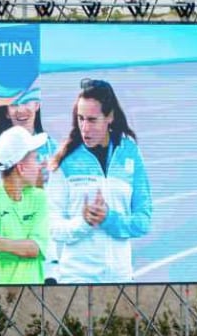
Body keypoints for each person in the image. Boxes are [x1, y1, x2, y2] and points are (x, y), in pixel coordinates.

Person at [47, 78, 152, 284]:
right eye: (80, 119)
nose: (85, 128)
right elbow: (52, 226)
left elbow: (143, 221)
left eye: (92, 120)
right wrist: (84, 222)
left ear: (110, 117)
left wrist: (109, 218)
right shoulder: (65, 160)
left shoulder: (130, 152)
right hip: (76, 278)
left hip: (121, 277)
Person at [0, 126, 51, 286]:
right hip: (0, 297)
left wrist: (2, 244)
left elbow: (35, 248)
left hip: (33, 295)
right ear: (21, 168)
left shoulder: (40, 198)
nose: (40, 165)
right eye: (35, 158)